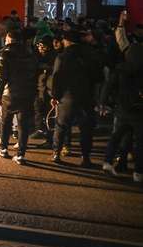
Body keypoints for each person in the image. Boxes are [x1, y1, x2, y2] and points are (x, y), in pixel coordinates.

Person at [0, 30, 38, 165]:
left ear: (9, 39)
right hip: (27, 92)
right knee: (23, 125)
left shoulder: (5, 53)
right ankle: (20, 155)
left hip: (10, 93)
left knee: (6, 121)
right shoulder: (30, 53)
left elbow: (1, 76)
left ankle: (4, 148)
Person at [51, 31, 97, 166]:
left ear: (67, 41)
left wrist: (55, 96)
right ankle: (85, 157)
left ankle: (56, 154)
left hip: (67, 96)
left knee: (61, 126)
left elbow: (56, 78)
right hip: (86, 96)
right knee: (86, 128)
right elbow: (98, 76)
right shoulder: (89, 55)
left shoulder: (62, 57)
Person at [102, 42, 143, 182]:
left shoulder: (121, 69)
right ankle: (138, 172)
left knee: (116, 137)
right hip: (139, 111)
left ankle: (107, 162)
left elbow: (108, 86)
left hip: (122, 109)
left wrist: (103, 102)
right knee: (140, 142)